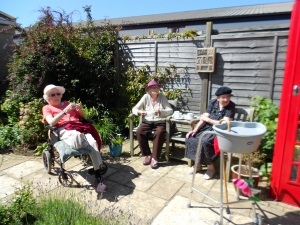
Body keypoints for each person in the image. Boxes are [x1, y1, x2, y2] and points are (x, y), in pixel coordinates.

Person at [42, 84, 105, 188]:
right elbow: (52, 122)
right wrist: (65, 111)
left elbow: (83, 117)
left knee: (93, 142)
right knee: (77, 135)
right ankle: (81, 141)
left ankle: (97, 173)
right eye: (52, 94)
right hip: (62, 129)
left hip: (78, 126)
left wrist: (80, 109)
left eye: (58, 93)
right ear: (48, 98)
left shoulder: (67, 103)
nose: (56, 96)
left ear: (61, 95)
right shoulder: (47, 108)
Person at [185, 86, 235, 179]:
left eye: (228, 96)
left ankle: (211, 168)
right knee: (192, 138)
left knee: (205, 141)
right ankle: (198, 165)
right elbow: (204, 118)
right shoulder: (213, 102)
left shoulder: (231, 106)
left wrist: (208, 119)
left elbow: (224, 123)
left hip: (221, 131)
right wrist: (194, 130)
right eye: (223, 97)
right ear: (218, 98)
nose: (226, 99)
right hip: (207, 128)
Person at [132, 80, 173, 169]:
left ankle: (155, 158)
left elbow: (170, 110)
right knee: (139, 131)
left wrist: (161, 111)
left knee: (160, 133)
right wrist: (139, 112)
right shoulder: (145, 97)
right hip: (147, 121)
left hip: (160, 121)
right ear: (149, 90)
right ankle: (148, 154)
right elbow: (134, 108)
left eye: (157, 87)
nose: (156, 89)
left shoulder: (162, 97)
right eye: (153, 87)